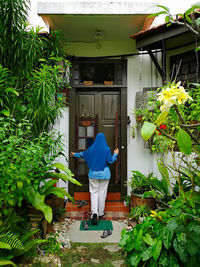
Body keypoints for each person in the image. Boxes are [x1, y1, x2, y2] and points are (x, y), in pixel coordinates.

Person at [70, 133, 119, 225]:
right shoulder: (106, 149)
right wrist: (115, 155)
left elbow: (83, 154)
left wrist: (75, 154)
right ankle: (101, 213)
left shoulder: (91, 149)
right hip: (105, 175)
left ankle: (94, 214)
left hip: (93, 175)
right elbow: (110, 161)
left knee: (94, 193)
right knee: (102, 193)